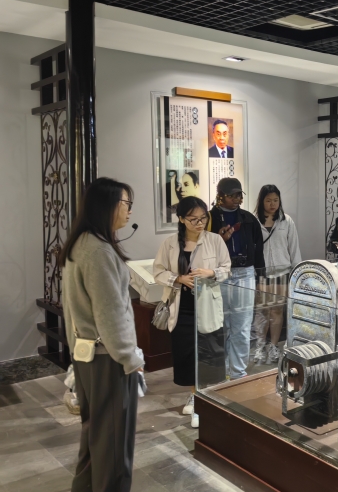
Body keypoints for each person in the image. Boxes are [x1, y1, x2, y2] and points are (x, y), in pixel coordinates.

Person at [60, 177, 144, 492]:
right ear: (107, 205)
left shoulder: (81, 243)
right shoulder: (98, 250)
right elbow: (111, 315)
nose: (130, 211)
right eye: (126, 204)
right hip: (108, 361)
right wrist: (131, 359)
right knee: (114, 447)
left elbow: (72, 309)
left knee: (95, 441)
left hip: (87, 357)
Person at [153, 196, 231, 428]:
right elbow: (158, 272)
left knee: (209, 352)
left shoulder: (215, 240)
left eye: (203, 218)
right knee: (187, 354)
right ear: (181, 219)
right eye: (193, 219)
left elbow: (227, 269)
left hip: (208, 305)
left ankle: (205, 398)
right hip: (181, 308)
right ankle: (194, 396)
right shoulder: (170, 243)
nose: (199, 223)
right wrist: (178, 278)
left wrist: (211, 273)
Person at [208, 177, 265, 378]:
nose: (237, 199)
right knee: (221, 325)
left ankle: (238, 372)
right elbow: (204, 249)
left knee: (242, 325)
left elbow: (259, 249)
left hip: (245, 272)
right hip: (219, 274)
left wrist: (261, 276)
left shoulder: (248, 219)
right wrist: (219, 239)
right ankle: (222, 370)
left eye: (239, 195)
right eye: (232, 195)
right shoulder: (210, 219)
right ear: (220, 196)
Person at [254, 185, 302, 364]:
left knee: (277, 310)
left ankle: (273, 346)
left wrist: (296, 271)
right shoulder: (254, 221)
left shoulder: (286, 221)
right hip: (261, 273)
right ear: (261, 201)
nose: (272, 204)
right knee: (262, 311)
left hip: (282, 272)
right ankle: (260, 346)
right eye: (268, 200)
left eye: (275, 200)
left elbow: (294, 247)